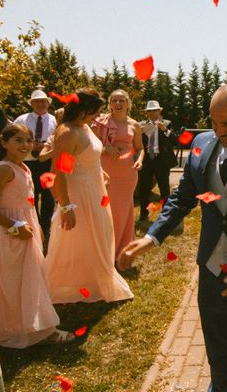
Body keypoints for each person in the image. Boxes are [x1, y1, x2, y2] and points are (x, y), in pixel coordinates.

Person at [118, 84, 227, 392]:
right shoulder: (202, 143)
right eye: (214, 122)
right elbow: (183, 195)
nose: (218, 131)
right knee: (218, 353)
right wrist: (153, 237)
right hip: (211, 270)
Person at [46, 88, 133, 304]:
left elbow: (89, 156)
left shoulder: (84, 127)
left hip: (95, 191)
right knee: (79, 241)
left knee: (100, 236)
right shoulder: (67, 133)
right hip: (78, 195)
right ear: (82, 109)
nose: (97, 115)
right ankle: (65, 285)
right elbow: (58, 174)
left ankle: (97, 281)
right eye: (94, 111)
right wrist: (66, 207)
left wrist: (100, 172)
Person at [0, 124, 74, 347]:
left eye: (28, 141)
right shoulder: (4, 169)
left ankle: (34, 325)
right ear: (4, 142)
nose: (25, 145)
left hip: (27, 227)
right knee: (13, 280)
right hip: (9, 231)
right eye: (18, 140)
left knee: (31, 277)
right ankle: (37, 329)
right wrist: (14, 225)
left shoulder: (24, 167)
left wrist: (36, 224)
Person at [92, 90, 144, 257]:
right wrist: (106, 147)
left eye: (121, 100)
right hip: (105, 171)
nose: (118, 103)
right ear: (110, 103)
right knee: (105, 208)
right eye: (114, 100)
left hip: (127, 173)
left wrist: (140, 160)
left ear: (128, 103)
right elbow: (90, 142)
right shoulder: (100, 122)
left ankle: (122, 250)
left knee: (123, 210)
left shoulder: (134, 125)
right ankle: (104, 251)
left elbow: (140, 148)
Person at [14, 88, 56, 239]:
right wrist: (31, 145)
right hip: (28, 162)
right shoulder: (21, 120)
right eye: (37, 101)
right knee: (30, 196)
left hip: (48, 163)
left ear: (47, 103)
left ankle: (45, 227)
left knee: (48, 197)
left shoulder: (54, 120)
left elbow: (58, 140)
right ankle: (35, 225)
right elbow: (15, 138)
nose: (40, 104)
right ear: (32, 104)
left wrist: (45, 146)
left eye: (43, 101)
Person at [137, 100, 177, 222]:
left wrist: (165, 130)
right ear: (146, 113)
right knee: (143, 188)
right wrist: (139, 132)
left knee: (164, 188)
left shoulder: (167, 123)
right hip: (146, 159)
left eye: (155, 110)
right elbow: (135, 142)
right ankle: (143, 213)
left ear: (160, 111)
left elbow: (175, 141)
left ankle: (165, 215)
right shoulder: (140, 125)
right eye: (150, 111)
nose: (153, 113)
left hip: (161, 160)